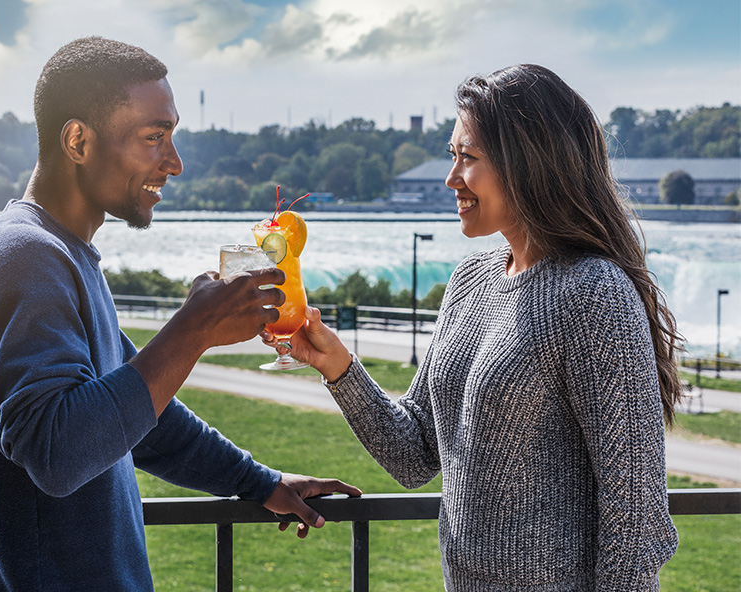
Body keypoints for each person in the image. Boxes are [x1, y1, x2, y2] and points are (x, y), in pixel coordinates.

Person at [0, 36, 360, 591]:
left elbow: (141, 415)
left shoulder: (59, 254)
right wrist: (193, 331)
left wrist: (258, 481)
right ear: (78, 140)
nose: (175, 162)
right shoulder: (25, 257)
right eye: (154, 137)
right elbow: (57, 451)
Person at [269, 64, 682, 590]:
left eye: (469, 158)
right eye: (452, 156)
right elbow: (415, 455)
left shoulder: (593, 294)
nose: (451, 179)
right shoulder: (471, 281)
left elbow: (636, 521)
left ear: (528, 163)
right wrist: (337, 366)